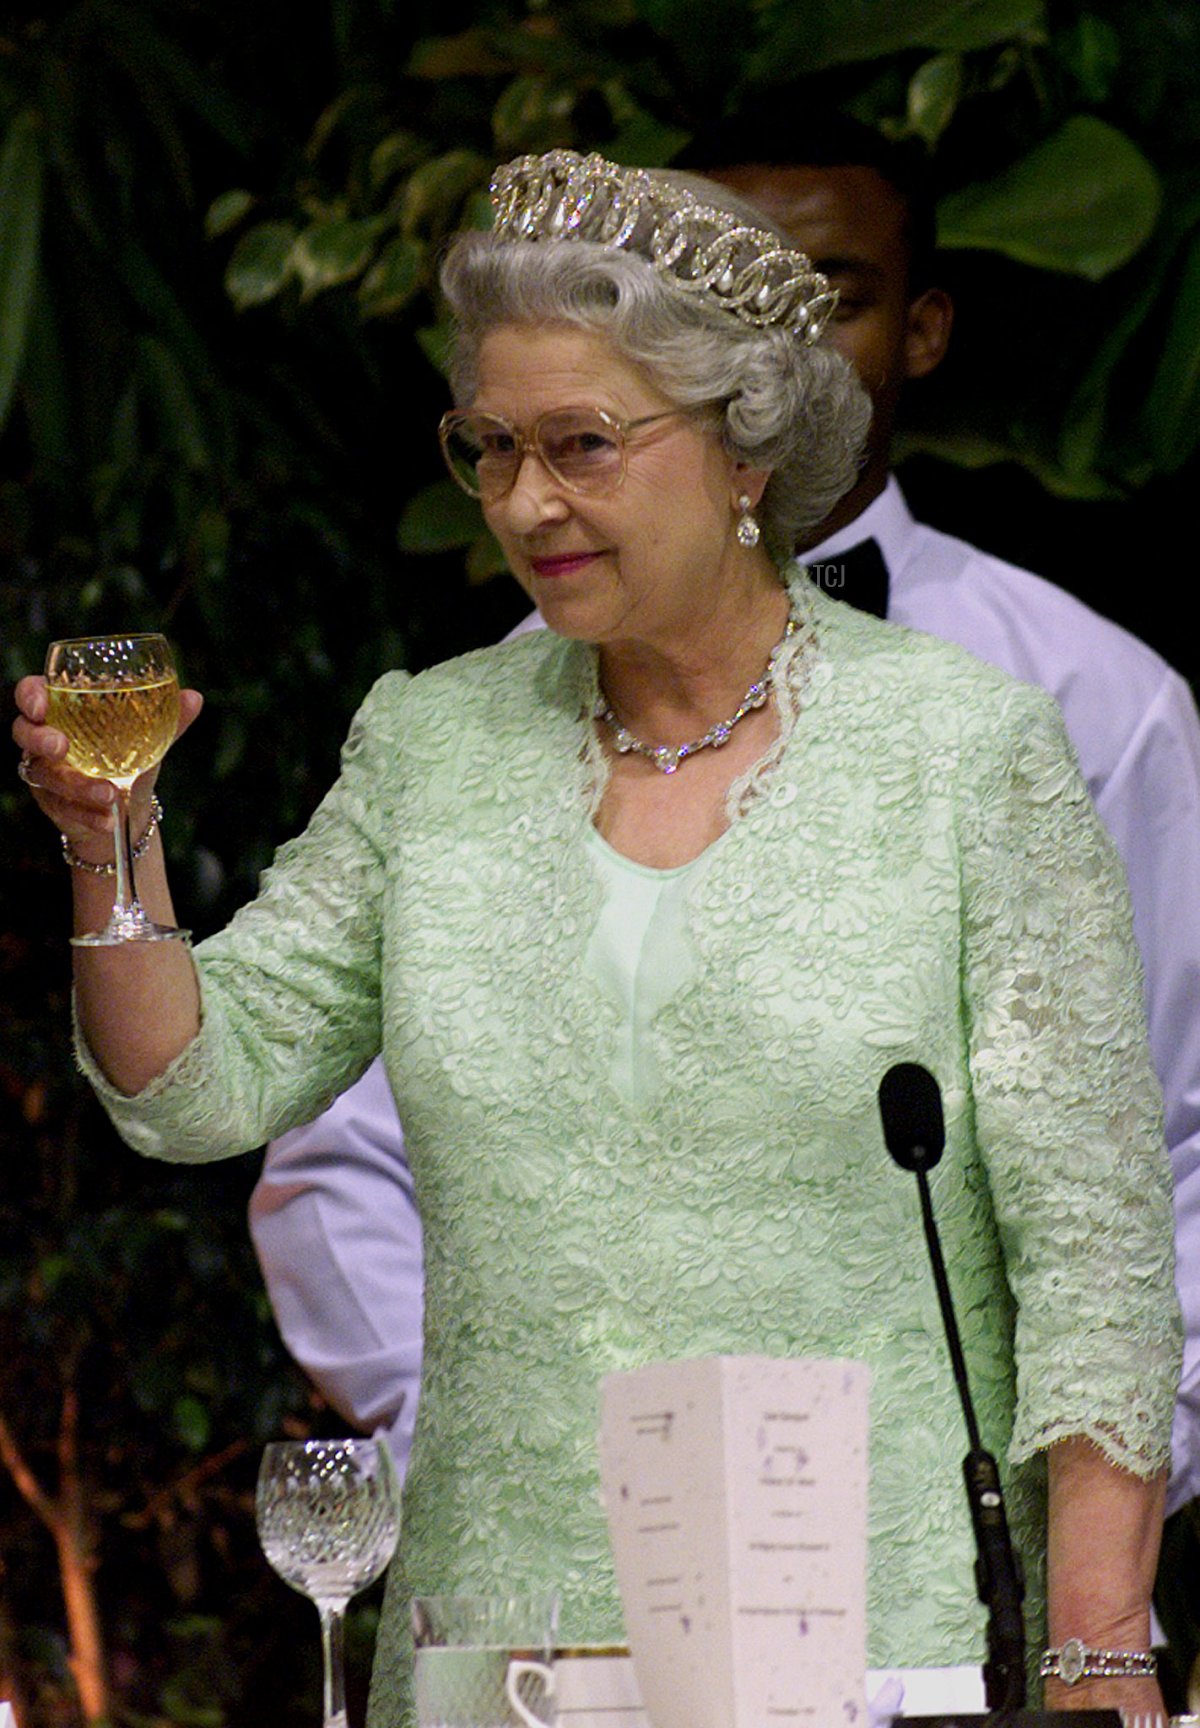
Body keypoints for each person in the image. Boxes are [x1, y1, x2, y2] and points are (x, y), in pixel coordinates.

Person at [14, 150, 1180, 1720]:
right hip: (508, 1650)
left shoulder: (968, 752)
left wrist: (1098, 1651)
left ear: (746, 447)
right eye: (487, 450)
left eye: (581, 446)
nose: (522, 503)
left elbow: (1095, 1253)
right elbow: (192, 1087)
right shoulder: (431, 746)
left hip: (883, 1642)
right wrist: (116, 848)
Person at [252, 117, 1200, 1540]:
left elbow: (1173, 1151)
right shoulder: (477, 720)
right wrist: (480, 1450)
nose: (783, 347)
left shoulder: (1083, 697)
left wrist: (1078, 1517)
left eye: (828, 297)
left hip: (970, 1551)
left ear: (924, 329)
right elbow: (340, 1149)